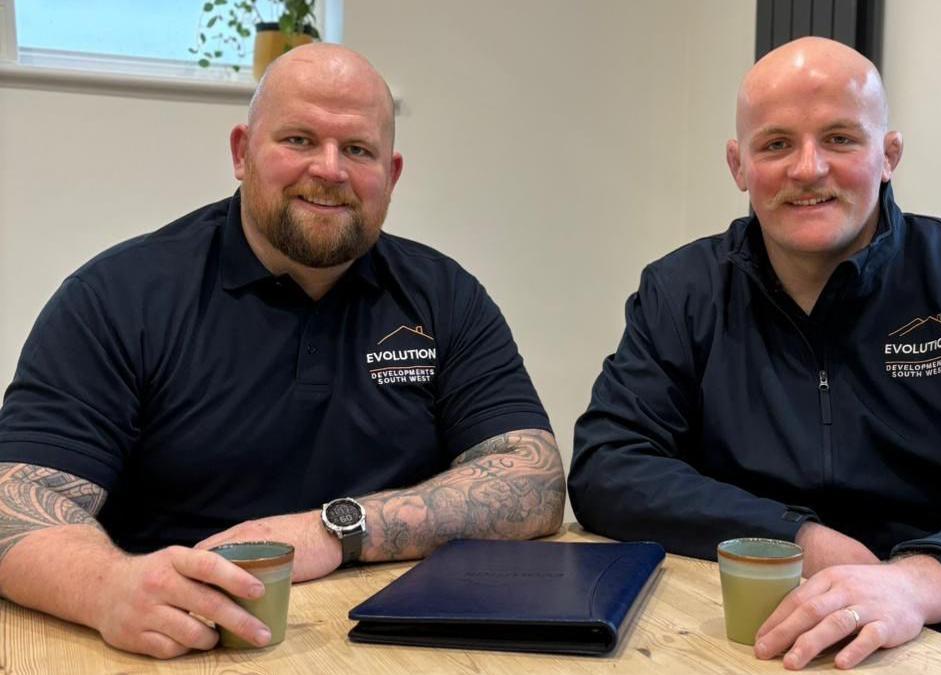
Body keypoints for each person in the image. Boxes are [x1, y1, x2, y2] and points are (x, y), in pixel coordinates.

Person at [0, 44, 564, 659]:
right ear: (242, 153)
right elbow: (15, 498)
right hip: (187, 642)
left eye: (357, 149)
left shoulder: (445, 296)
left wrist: (337, 529)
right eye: (298, 140)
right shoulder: (118, 297)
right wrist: (108, 587)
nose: (329, 169)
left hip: (403, 638)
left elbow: (533, 479)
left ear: (392, 174)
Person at [569, 37, 941, 674]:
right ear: (739, 165)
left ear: (888, 154)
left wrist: (910, 583)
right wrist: (799, 540)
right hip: (748, 608)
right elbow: (609, 465)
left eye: (840, 139)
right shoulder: (681, 291)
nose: (808, 168)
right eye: (777, 144)